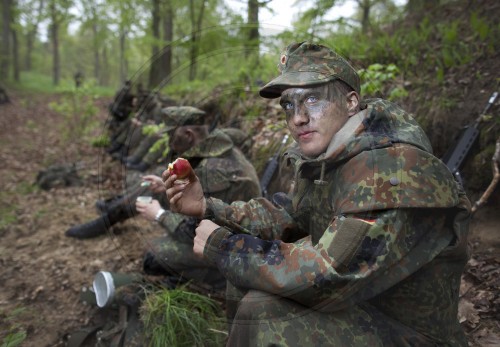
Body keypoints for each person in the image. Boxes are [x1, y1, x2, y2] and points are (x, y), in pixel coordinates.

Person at [164, 41, 471, 346]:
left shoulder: (392, 169)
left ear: (351, 102)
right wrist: (209, 207)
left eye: (312, 100)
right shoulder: (333, 159)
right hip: (366, 312)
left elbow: (329, 276)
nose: (297, 118)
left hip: (411, 335)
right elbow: (291, 219)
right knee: (245, 278)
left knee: (267, 309)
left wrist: (223, 245)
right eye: (289, 104)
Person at [66, 106, 261, 246]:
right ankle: (112, 213)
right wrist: (165, 185)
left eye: (171, 136)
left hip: (233, 244)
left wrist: (159, 215)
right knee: (151, 185)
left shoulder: (212, 169)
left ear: (188, 134)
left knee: (154, 255)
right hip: (223, 219)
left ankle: (111, 215)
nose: (169, 142)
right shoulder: (213, 148)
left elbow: (192, 232)